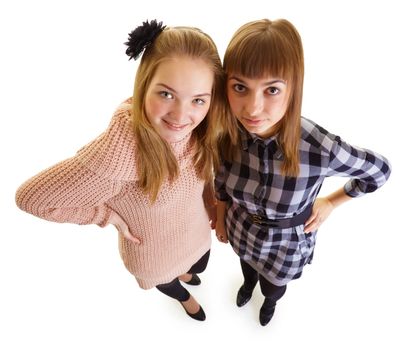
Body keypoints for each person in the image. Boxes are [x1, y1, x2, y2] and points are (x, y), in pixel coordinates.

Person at [15, 20, 226, 321]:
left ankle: (186, 274)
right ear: (144, 85)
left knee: (198, 267)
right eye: (166, 94)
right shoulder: (122, 155)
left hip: (195, 234)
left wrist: (211, 204)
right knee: (169, 283)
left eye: (197, 100)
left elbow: (202, 178)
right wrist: (105, 215)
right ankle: (184, 297)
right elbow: (31, 199)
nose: (181, 115)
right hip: (154, 255)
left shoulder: (202, 130)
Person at [214, 18, 392, 326]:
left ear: (294, 87)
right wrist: (220, 212)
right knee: (246, 265)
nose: (253, 108)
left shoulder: (319, 148)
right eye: (240, 87)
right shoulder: (226, 132)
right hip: (241, 228)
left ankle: (268, 304)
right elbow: (220, 176)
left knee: (273, 287)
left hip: (284, 244)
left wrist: (332, 202)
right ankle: (247, 284)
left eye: (271, 89)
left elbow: (379, 171)